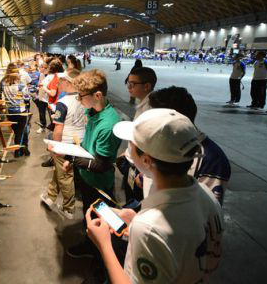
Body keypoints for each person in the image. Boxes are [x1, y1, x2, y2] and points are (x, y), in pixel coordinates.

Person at [87, 109, 223, 284]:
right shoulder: (207, 195)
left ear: (146, 160)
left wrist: (103, 244)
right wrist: (135, 218)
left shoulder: (150, 228)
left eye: (131, 143)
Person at [63, 69, 122, 258]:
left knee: (101, 222)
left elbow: (102, 165)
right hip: (87, 179)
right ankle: (93, 245)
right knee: (90, 215)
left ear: (97, 95)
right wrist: (72, 157)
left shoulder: (107, 125)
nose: (79, 100)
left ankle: (100, 257)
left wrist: (72, 158)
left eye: (81, 96)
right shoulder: (93, 111)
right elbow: (87, 146)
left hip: (99, 186)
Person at [41, 68, 87, 220]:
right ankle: (50, 196)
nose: (59, 82)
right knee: (60, 171)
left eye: (61, 80)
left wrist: (55, 145)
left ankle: (68, 208)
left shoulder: (63, 102)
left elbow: (58, 128)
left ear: (68, 82)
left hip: (65, 142)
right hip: (80, 141)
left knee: (65, 176)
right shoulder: (83, 99)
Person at [120, 67, 157, 202]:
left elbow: (151, 142)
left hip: (140, 168)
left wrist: (143, 172)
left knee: (135, 202)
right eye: (128, 83)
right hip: (133, 162)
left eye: (132, 84)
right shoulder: (143, 104)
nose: (128, 88)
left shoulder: (150, 109)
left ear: (146, 86)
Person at [0, 63, 30, 157]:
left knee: (19, 131)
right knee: (20, 131)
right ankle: (18, 150)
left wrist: (3, 104)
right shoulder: (20, 83)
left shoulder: (3, 82)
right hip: (21, 111)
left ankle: (25, 148)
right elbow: (26, 97)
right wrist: (27, 105)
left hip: (10, 111)